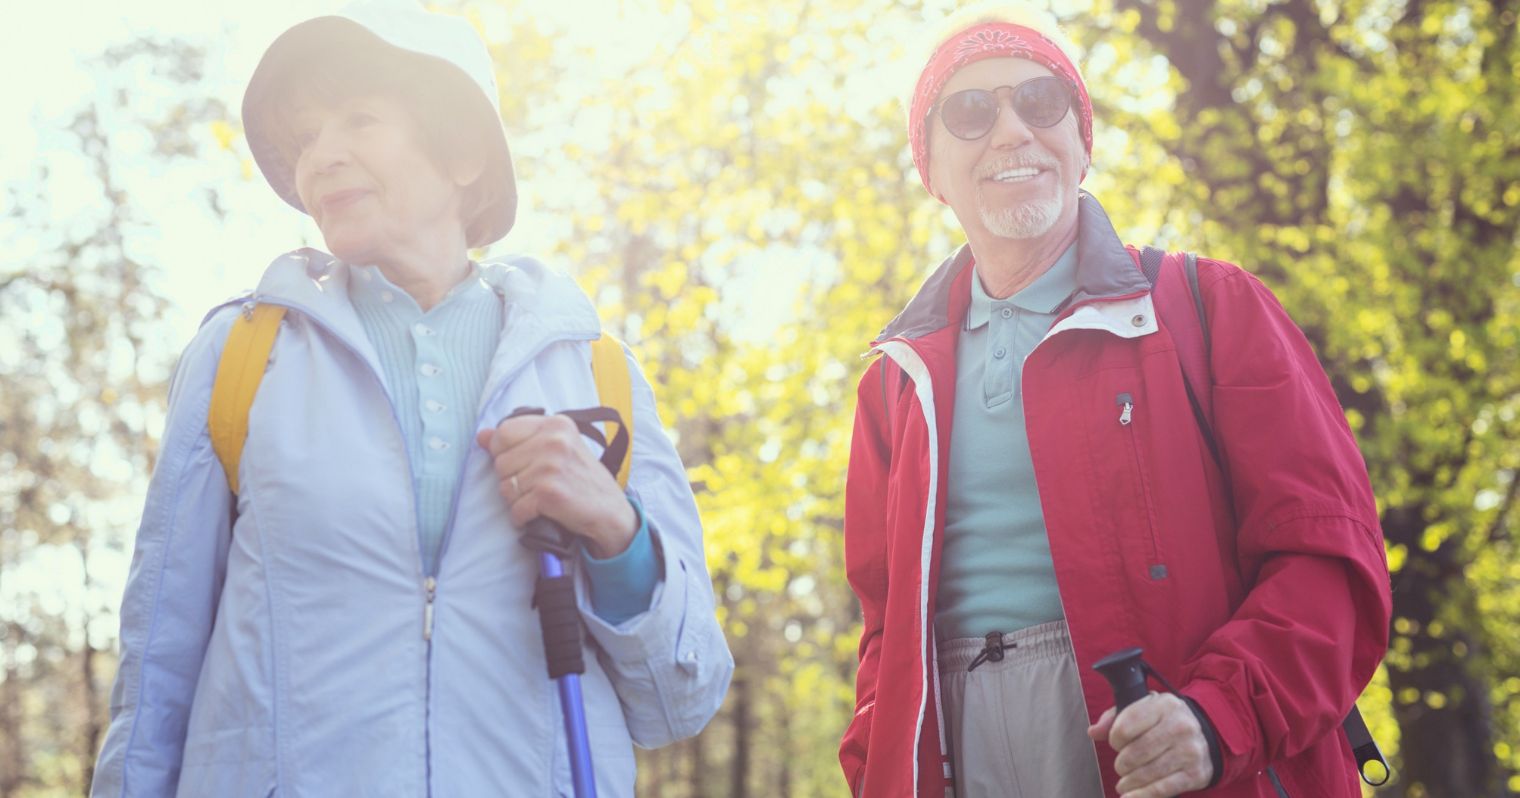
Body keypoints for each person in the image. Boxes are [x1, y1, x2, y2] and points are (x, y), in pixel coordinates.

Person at [91, 3, 731, 795]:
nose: (319, 158)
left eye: (357, 118)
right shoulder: (240, 356)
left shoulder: (595, 374)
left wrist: (615, 531)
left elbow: (682, 697)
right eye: (305, 138)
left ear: (463, 151)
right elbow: (154, 678)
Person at [839, 6, 1390, 797]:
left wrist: (1214, 717)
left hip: (1163, 735)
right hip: (958, 746)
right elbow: (884, 638)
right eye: (968, 111)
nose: (1010, 131)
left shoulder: (1212, 306)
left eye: (1039, 100)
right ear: (930, 165)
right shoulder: (895, 384)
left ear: (1081, 139)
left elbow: (1331, 562)